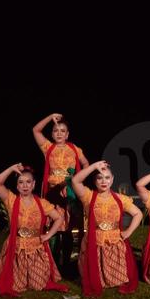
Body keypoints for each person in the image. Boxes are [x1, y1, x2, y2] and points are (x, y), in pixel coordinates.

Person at [0, 163, 67, 297]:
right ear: (17, 186)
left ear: (33, 184)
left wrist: (48, 235)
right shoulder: (11, 200)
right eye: (21, 182)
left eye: (28, 182)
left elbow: (59, 218)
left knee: (38, 285)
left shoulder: (41, 203)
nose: (25, 185)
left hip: (35, 247)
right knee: (16, 285)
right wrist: (10, 169)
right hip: (16, 247)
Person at [72, 160, 142, 296]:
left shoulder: (121, 198)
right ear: (95, 180)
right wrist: (94, 166)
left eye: (107, 177)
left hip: (114, 241)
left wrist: (128, 232)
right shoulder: (88, 196)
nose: (104, 181)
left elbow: (138, 213)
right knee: (93, 277)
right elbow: (75, 181)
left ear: (112, 179)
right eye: (99, 178)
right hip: (94, 241)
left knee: (119, 277)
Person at [32, 112, 89, 270]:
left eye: (62, 130)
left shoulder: (75, 149)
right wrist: (50, 117)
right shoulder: (48, 148)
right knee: (55, 227)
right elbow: (36, 130)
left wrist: (76, 181)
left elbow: (85, 164)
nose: (59, 133)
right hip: (53, 193)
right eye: (55, 130)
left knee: (70, 228)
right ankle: (53, 263)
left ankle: (67, 264)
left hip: (69, 192)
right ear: (51, 134)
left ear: (67, 134)